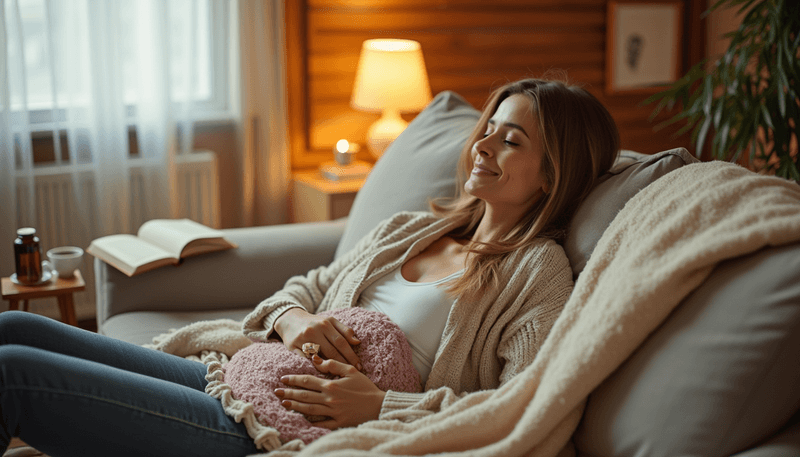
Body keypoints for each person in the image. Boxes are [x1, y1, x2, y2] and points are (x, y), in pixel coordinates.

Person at [0, 76, 620, 456]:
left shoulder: (535, 274)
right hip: (247, 372)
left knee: (14, 373)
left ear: (553, 175)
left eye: (511, 140)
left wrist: (380, 409)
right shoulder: (412, 229)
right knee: (15, 331)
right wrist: (296, 321)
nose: (482, 145)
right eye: (489, 128)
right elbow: (303, 288)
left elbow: (525, 414)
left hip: (283, 428)